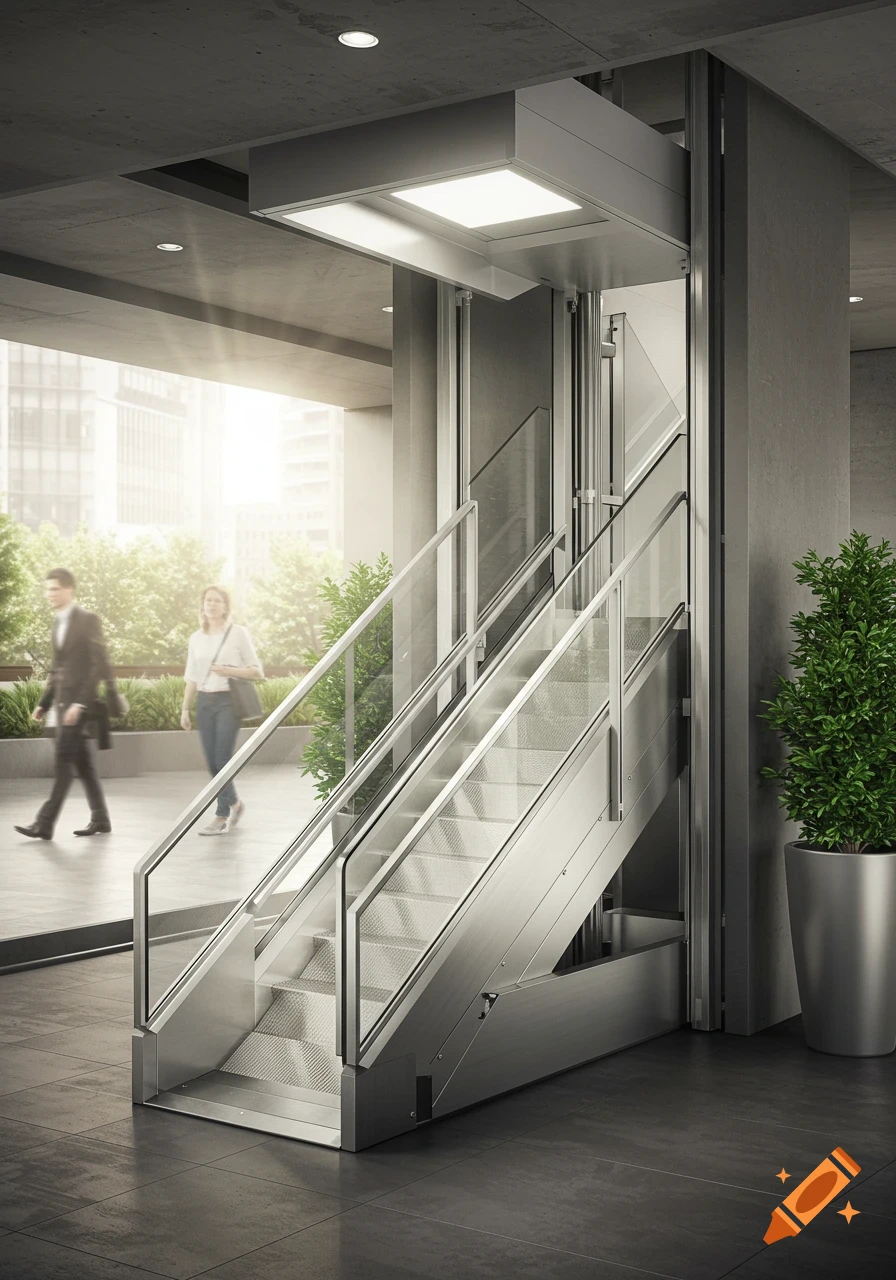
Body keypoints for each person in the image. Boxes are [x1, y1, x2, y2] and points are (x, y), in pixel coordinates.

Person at [14, 568, 124, 841]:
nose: (49, 594)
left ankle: (44, 823)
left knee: (63, 762)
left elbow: (98, 665)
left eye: (54, 589)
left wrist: (80, 703)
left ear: (69, 590)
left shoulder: (88, 620)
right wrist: (44, 703)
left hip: (79, 706)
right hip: (63, 705)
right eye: (47, 589)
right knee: (84, 765)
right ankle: (101, 819)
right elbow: (58, 667)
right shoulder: (57, 623)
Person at [182, 585, 263, 836]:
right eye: (208, 600)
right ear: (202, 606)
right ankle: (235, 803)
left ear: (225, 607)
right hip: (204, 702)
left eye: (217, 601)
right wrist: (185, 708)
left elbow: (257, 671)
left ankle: (220, 815)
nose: (212, 604)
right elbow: (192, 678)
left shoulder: (238, 633)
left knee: (222, 759)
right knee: (211, 762)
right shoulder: (196, 638)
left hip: (229, 701)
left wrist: (230, 670)